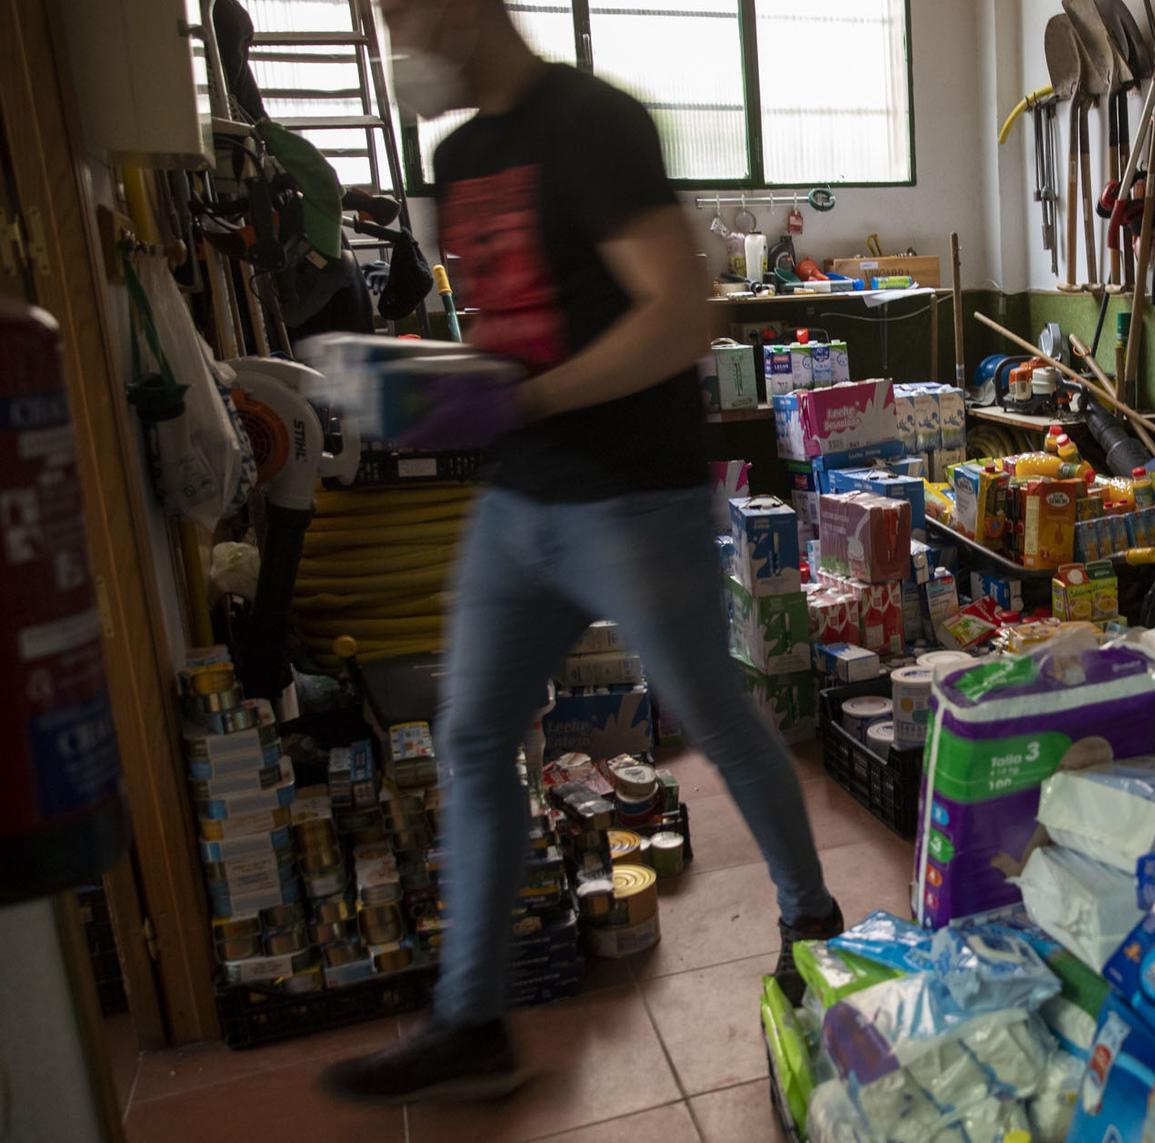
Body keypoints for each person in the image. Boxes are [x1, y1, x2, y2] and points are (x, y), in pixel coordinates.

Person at [320, 0, 841, 1104]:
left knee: (711, 714)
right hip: (517, 500)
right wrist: (424, 382)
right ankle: (472, 1019)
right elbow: (508, 326)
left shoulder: (593, 123)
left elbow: (679, 316)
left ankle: (812, 924)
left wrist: (528, 400)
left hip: (631, 496)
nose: (395, 39)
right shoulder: (458, 156)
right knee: (473, 737)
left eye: (403, 12)